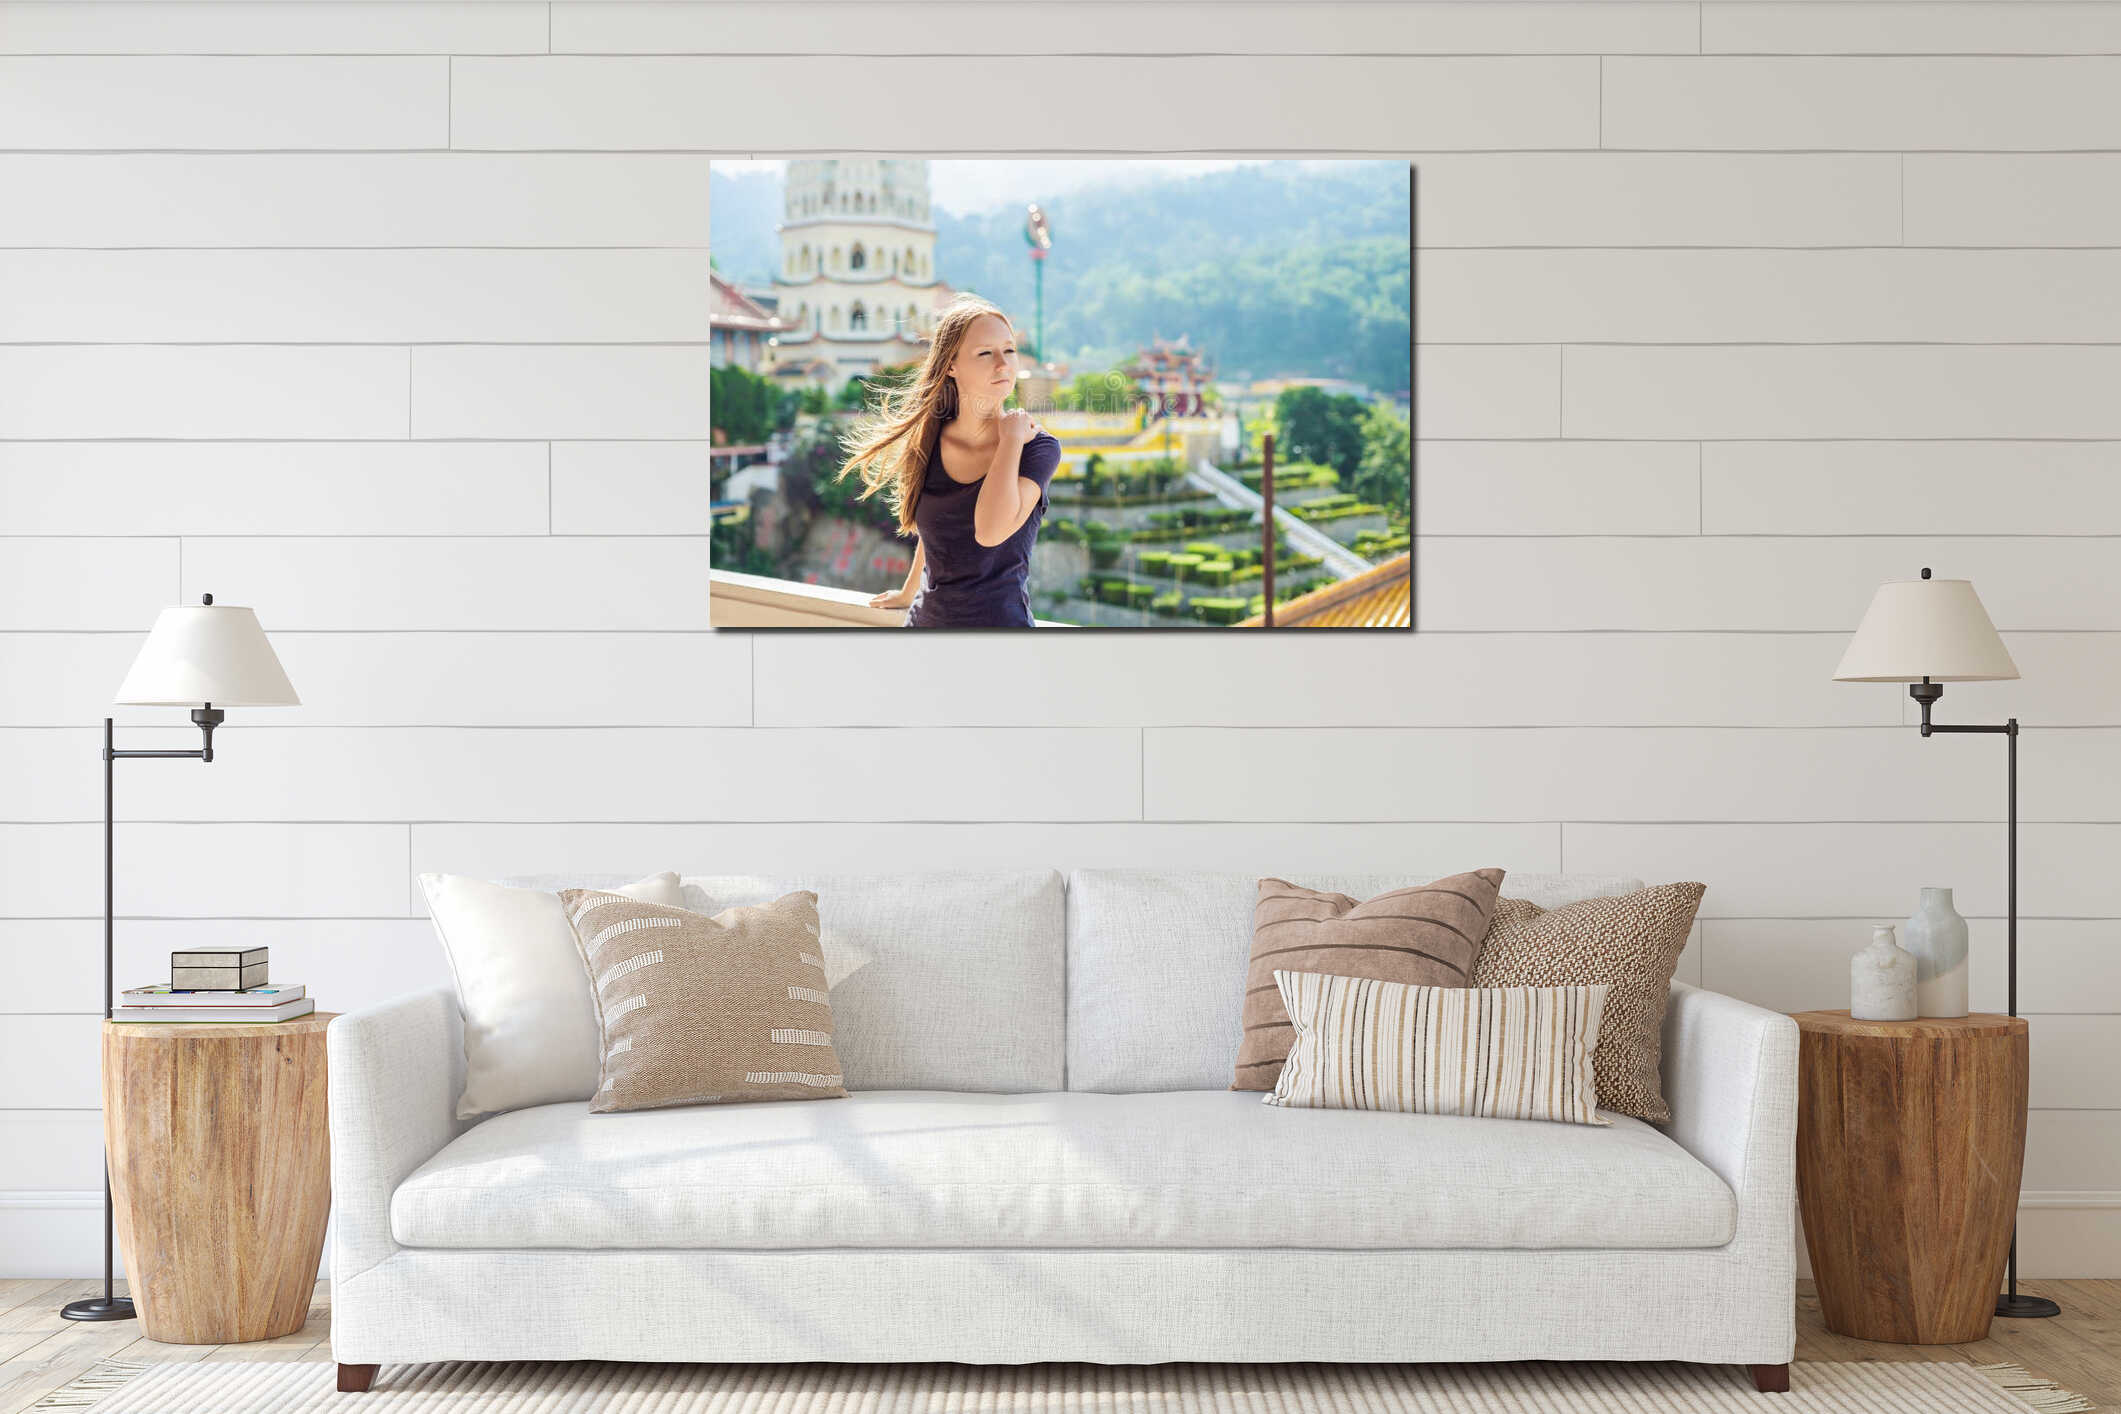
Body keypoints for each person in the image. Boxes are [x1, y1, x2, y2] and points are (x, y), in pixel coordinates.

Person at [835, 294, 1062, 627]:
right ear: (951, 365)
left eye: (1009, 350)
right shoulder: (930, 440)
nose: (1003, 364)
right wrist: (908, 591)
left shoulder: (1036, 449)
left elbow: (990, 530)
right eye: (985, 353)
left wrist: (1011, 440)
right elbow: (936, 534)